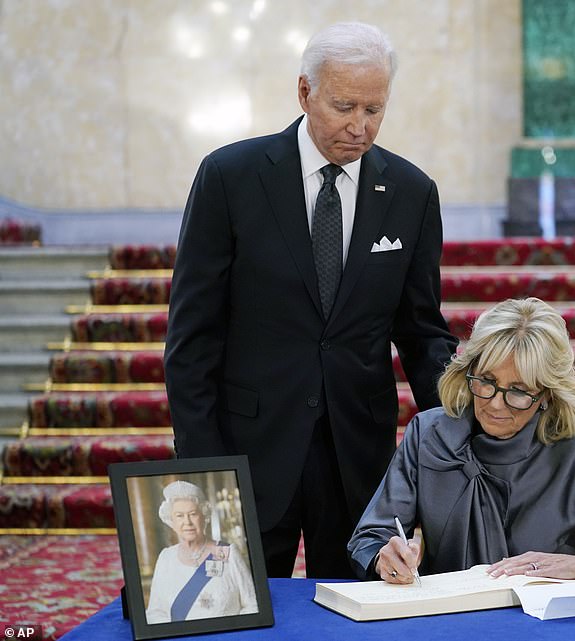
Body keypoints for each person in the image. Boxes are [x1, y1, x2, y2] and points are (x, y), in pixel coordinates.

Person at [163, 21, 458, 579]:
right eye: (344, 106)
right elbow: (192, 338)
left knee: (357, 619)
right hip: (248, 448)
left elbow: (422, 332)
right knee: (240, 617)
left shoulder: (411, 192)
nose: (360, 126)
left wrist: (459, 426)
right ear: (305, 92)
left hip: (358, 459)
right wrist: (203, 469)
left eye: (375, 109)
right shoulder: (230, 177)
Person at [348, 298, 575, 583]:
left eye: (519, 391)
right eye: (487, 380)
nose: (495, 403)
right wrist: (384, 556)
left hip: (545, 625)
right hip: (446, 622)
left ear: (546, 396)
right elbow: (369, 536)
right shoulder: (429, 434)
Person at [145, 481, 257, 623]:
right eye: (179, 516)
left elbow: (252, 605)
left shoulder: (228, 553)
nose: (187, 522)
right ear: (171, 521)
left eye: (193, 514)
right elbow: (155, 612)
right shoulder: (166, 558)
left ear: (204, 516)